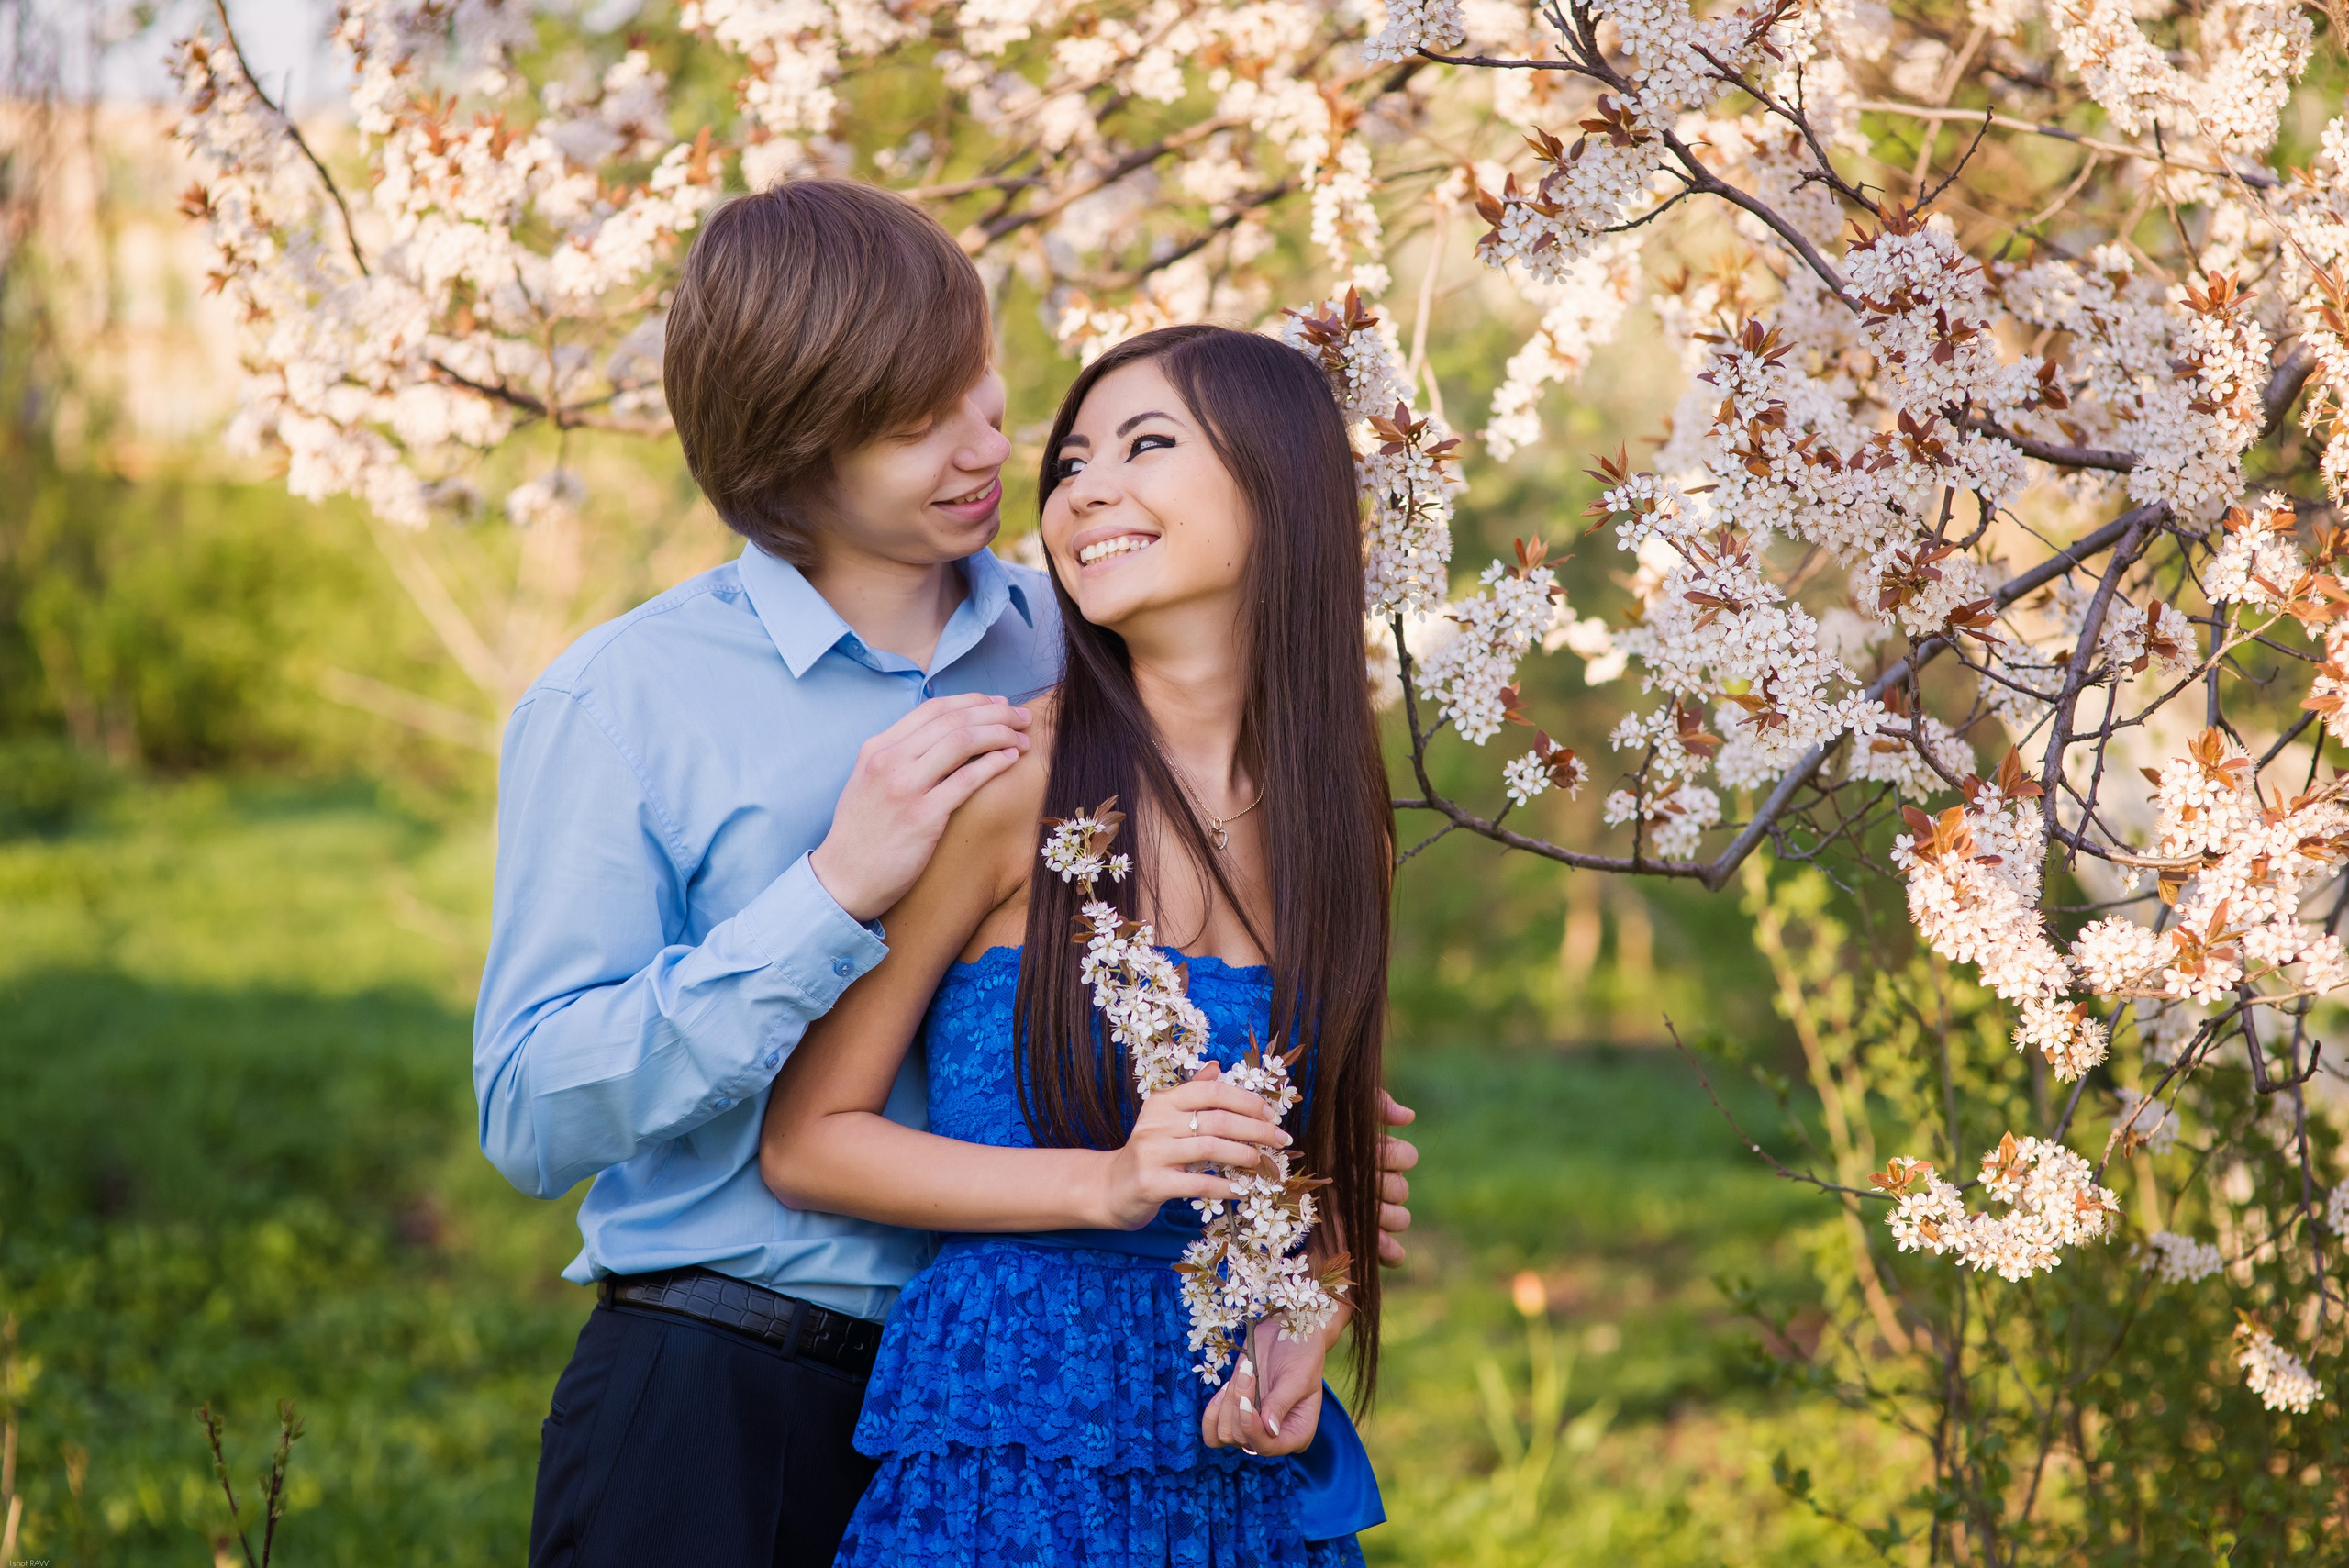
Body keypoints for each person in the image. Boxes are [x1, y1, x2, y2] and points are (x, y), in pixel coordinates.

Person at [471, 180, 1419, 1568]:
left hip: (1054, 1379)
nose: (1001, 453)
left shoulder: (1082, 635)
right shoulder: (626, 699)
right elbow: (528, 1112)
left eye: (983, 389)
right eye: (923, 423)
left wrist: (1320, 1202)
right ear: (800, 448)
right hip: (727, 1374)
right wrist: (829, 892)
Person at [759, 324, 1393, 1565]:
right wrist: (1104, 1184)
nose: (1084, 490)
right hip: (1008, 1432)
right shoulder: (1008, 781)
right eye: (1071, 462)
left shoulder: (1339, 826)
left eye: (1147, 446)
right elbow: (807, 1140)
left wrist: (1309, 1314)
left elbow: (1324, 1161)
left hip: (1232, 1454)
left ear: (1280, 485)